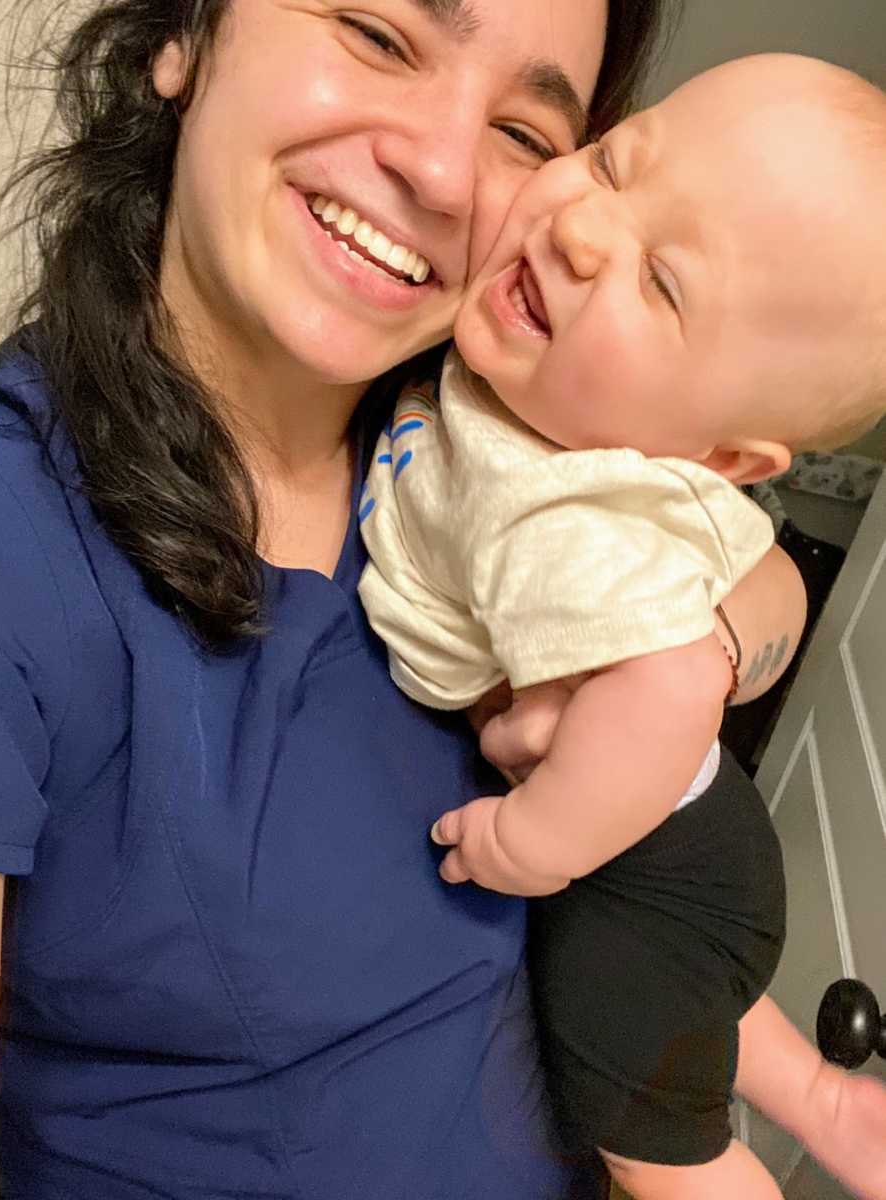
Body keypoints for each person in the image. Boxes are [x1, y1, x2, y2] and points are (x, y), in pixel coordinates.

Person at [0, 2, 807, 1197]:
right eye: (378, 35)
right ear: (187, 38)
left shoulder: (492, 427)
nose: (438, 168)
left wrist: (697, 652)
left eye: (525, 132)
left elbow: (764, 580)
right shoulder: (16, 528)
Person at [358, 54, 886, 1200]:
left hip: (642, 860)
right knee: (684, 1003)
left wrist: (529, 842)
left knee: (643, 1118)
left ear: (722, 457)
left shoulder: (562, 506)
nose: (588, 233)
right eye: (610, 163)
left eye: (664, 285)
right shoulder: (539, 397)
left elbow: (673, 683)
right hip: (686, 842)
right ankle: (832, 1102)